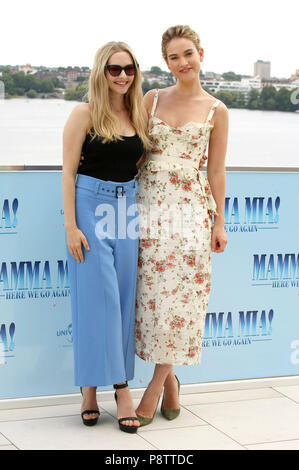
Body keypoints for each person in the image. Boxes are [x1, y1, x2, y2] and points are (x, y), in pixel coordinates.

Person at [134, 25, 228, 426]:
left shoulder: (216, 109)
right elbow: (131, 151)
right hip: (145, 211)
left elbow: (217, 172)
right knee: (153, 300)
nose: (182, 62)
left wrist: (219, 222)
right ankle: (172, 380)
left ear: (201, 53)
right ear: (166, 62)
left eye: (187, 53)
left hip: (190, 212)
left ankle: (154, 387)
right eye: (173, 57)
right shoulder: (151, 99)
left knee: (180, 302)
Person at [62, 41, 150, 433]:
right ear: (101, 72)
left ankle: (96, 387)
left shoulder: (138, 113)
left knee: (123, 299)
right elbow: (67, 173)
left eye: (128, 69)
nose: (122, 76)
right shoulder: (84, 113)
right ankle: (112, 389)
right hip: (89, 205)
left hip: (126, 206)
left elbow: (139, 160)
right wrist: (71, 226)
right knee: (99, 300)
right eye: (114, 69)